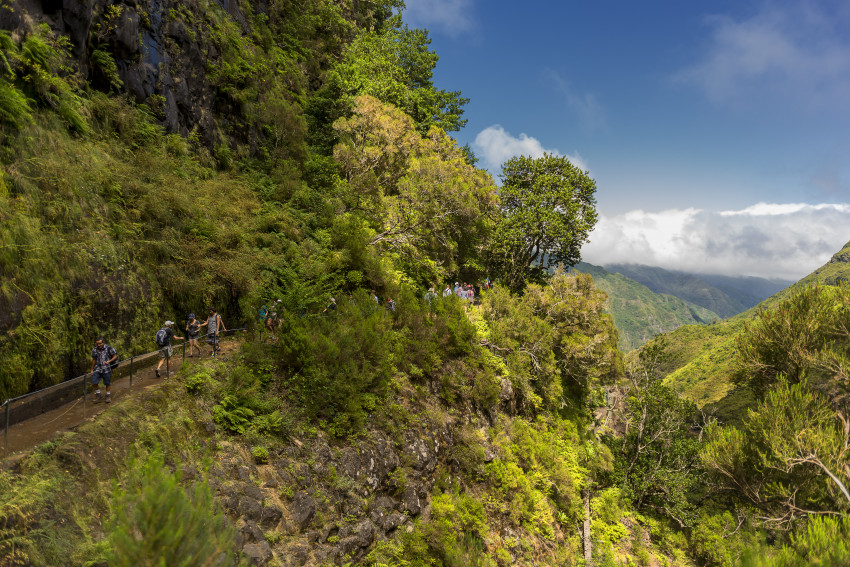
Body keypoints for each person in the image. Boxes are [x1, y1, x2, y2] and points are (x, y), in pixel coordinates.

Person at [90, 337, 117, 403]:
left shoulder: (109, 348)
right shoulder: (95, 350)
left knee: (107, 383)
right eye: (97, 344)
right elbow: (94, 359)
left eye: (100, 343)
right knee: (94, 382)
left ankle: (108, 395)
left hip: (106, 368)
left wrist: (109, 361)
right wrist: (91, 369)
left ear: (103, 342)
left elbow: (115, 356)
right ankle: (98, 395)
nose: (98, 345)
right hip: (98, 368)